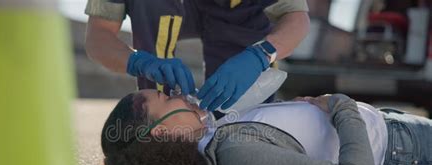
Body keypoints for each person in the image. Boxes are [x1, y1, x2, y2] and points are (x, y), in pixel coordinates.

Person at [101, 89, 432, 165]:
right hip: (405, 152)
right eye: (166, 98)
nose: (177, 95)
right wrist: (341, 105)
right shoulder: (235, 156)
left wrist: (300, 106)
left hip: (394, 130)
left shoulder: (215, 137)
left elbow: (286, 136)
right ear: (160, 133)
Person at [85, 0, 310, 111]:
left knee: (234, 116)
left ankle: (237, 120)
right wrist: (139, 61)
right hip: (167, 8)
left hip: (237, 14)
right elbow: (98, 36)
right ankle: (165, 109)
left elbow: (296, 18)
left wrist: (261, 54)